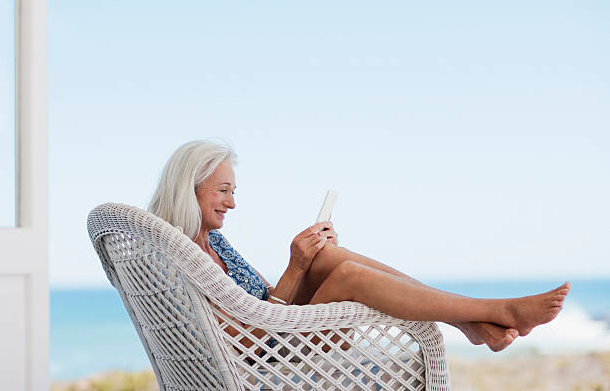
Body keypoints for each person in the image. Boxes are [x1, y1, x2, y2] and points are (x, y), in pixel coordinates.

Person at [149, 140, 570, 353]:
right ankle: (491, 313)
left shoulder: (213, 240)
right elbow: (246, 334)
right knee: (345, 274)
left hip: (278, 329)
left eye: (233, 190)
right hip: (267, 353)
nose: (233, 202)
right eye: (223, 190)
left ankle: (468, 321)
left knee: (329, 255)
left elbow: (259, 299)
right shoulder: (180, 253)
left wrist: (304, 262)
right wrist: (295, 269)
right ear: (190, 186)